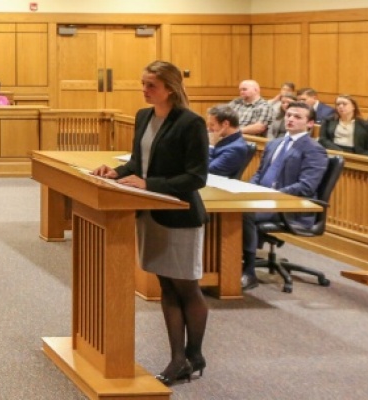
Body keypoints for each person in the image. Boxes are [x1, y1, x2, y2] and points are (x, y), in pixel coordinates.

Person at [91, 60, 209, 386]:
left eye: (151, 86)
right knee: (167, 288)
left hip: (181, 216)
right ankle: (177, 359)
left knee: (186, 287)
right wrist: (116, 172)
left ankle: (195, 352)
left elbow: (196, 176)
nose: (144, 91)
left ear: (170, 88)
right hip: (151, 214)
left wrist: (149, 184)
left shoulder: (190, 123)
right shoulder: (144, 117)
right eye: (143, 84)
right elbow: (137, 162)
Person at [241, 101, 328, 290]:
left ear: (310, 123)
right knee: (229, 210)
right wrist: (248, 191)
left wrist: (271, 195)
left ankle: (248, 272)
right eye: (289, 115)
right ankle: (224, 266)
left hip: (290, 207)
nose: (290, 119)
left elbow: (306, 186)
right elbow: (259, 174)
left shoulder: (314, 149)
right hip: (263, 200)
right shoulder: (275, 143)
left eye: (297, 117)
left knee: (242, 214)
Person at [206, 105, 249, 178]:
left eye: (212, 125)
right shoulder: (221, 139)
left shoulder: (236, 148)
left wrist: (211, 146)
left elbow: (209, 170)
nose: (209, 129)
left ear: (225, 124)